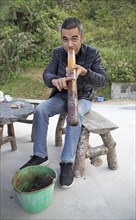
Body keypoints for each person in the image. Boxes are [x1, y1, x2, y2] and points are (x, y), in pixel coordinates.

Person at [20, 17, 107, 189]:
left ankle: (67, 161)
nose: (70, 45)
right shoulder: (58, 52)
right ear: (61, 39)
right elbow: (47, 74)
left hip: (82, 97)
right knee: (41, 110)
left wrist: (85, 72)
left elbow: (103, 80)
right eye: (65, 39)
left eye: (74, 38)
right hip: (61, 96)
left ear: (82, 37)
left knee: (75, 115)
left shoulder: (92, 53)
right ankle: (40, 155)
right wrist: (54, 81)